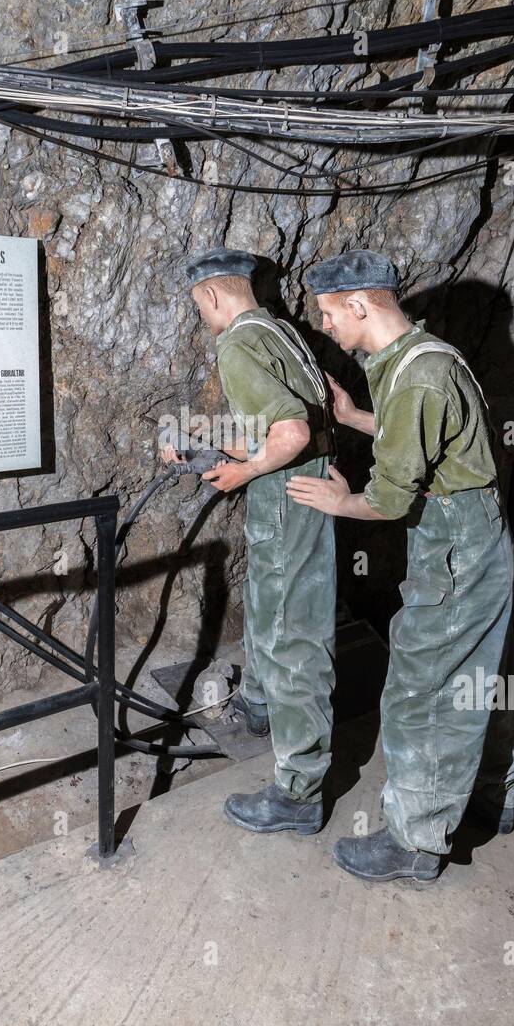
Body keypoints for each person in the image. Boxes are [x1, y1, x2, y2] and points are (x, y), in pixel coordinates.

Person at [288, 249, 514, 884]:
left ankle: (416, 842)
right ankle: (490, 792)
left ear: (360, 305)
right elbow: (417, 436)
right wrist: (351, 417)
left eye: (330, 314)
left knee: (422, 690)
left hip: (456, 547)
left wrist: (340, 500)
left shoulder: (416, 375)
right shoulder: (421, 358)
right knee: (475, 675)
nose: (327, 327)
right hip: (472, 538)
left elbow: (392, 497)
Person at [163, 249, 336, 834]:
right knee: (270, 603)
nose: (201, 317)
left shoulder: (236, 343)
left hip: (288, 496)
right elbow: (274, 425)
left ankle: (300, 791)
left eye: (198, 307)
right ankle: (261, 709)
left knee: (292, 634)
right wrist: (201, 439)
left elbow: (289, 432)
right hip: (298, 491)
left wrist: (239, 472)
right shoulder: (278, 331)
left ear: (212, 296)